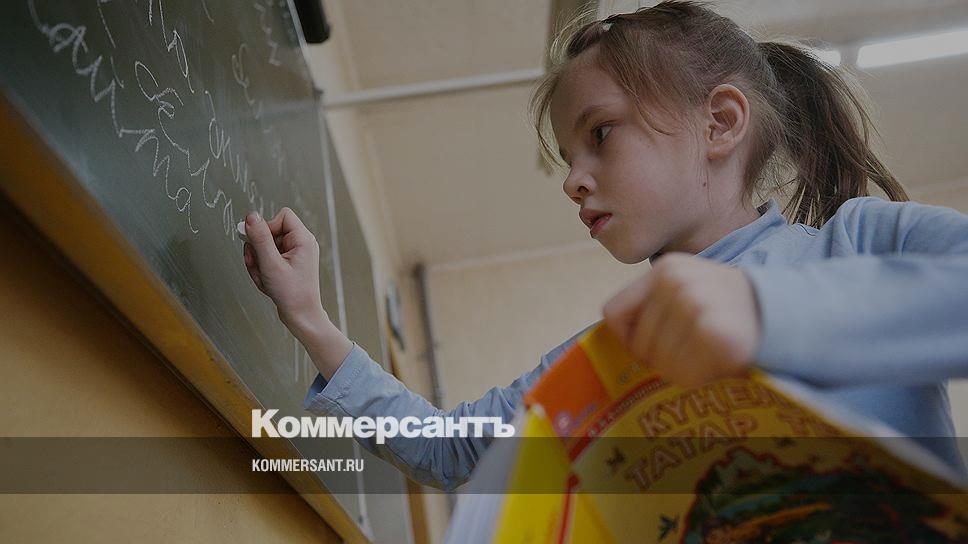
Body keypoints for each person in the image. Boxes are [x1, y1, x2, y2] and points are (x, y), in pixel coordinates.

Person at [241, 1, 968, 491]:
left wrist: (766, 310)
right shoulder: (607, 355)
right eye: (567, 158)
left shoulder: (861, 242)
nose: (572, 181)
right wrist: (309, 316)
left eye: (600, 134)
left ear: (720, 122)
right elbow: (452, 449)